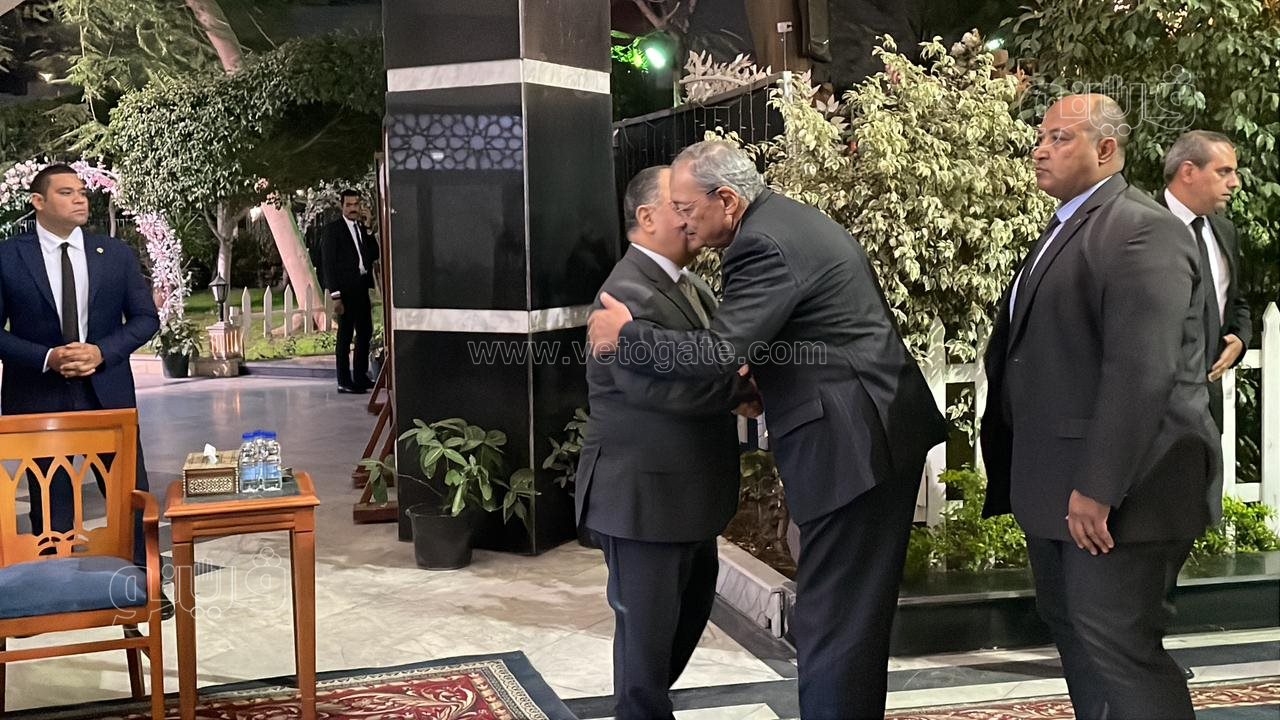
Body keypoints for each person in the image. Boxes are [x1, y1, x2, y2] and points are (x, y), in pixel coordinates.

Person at [588, 141, 947, 718]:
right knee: (846, 620)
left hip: (853, 447)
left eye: (688, 207)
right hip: (865, 439)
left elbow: (719, 352)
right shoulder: (781, 222)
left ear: (727, 200)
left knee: (834, 622)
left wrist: (626, 335)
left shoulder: (760, 244)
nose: (684, 220)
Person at [979, 95, 1220, 719]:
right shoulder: (1068, 226)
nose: (1040, 151)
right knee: (1080, 642)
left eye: (1059, 138)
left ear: (1105, 149)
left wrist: (1098, 485)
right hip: (1060, 486)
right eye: (1041, 138)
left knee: (1121, 649)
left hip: (1123, 494)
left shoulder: (1142, 229)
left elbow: (1141, 370)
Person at [577, 165, 759, 720]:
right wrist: (741, 391)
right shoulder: (624, 293)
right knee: (646, 649)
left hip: (688, 496)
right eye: (677, 206)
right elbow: (654, 391)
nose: (689, 216)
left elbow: (718, 357)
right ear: (647, 217)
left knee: (679, 629)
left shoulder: (692, 285)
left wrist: (741, 380)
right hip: (644, 498)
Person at [0, 163, 159, 570]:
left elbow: (145, 319)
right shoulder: (8, 257)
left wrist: (102, 352)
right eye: (66, 192)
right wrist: (47, 358)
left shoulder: (115, 255)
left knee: (129, 495)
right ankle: (56, 584)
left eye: (82, 192)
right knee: (52, 504)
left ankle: (143, 582)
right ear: (38, 201)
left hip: (107, 393)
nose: (80, 200)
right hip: (39, 396)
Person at [1159, 130, 1251, 432]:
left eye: (1234, 172)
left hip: (1208, 409)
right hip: (1153, 413)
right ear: (1188, 172)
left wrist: (1240, 338)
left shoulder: (1225, 231)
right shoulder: (1140, 225)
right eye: (1224, 172)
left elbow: (1236, 300)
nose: (1234, 183)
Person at [320, 189, 379, 394]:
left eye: (356, 204)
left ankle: (360, 376)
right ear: (342, 206)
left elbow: (373, 254)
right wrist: (335, 295)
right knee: (345, 336)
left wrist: (369, 228)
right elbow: (328, 264)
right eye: (349, 205)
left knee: (365, 332)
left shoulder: (361, 228)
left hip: (361, 287)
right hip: (345, 290)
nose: (353, 209)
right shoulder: (333, 230)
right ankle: (344, 381)